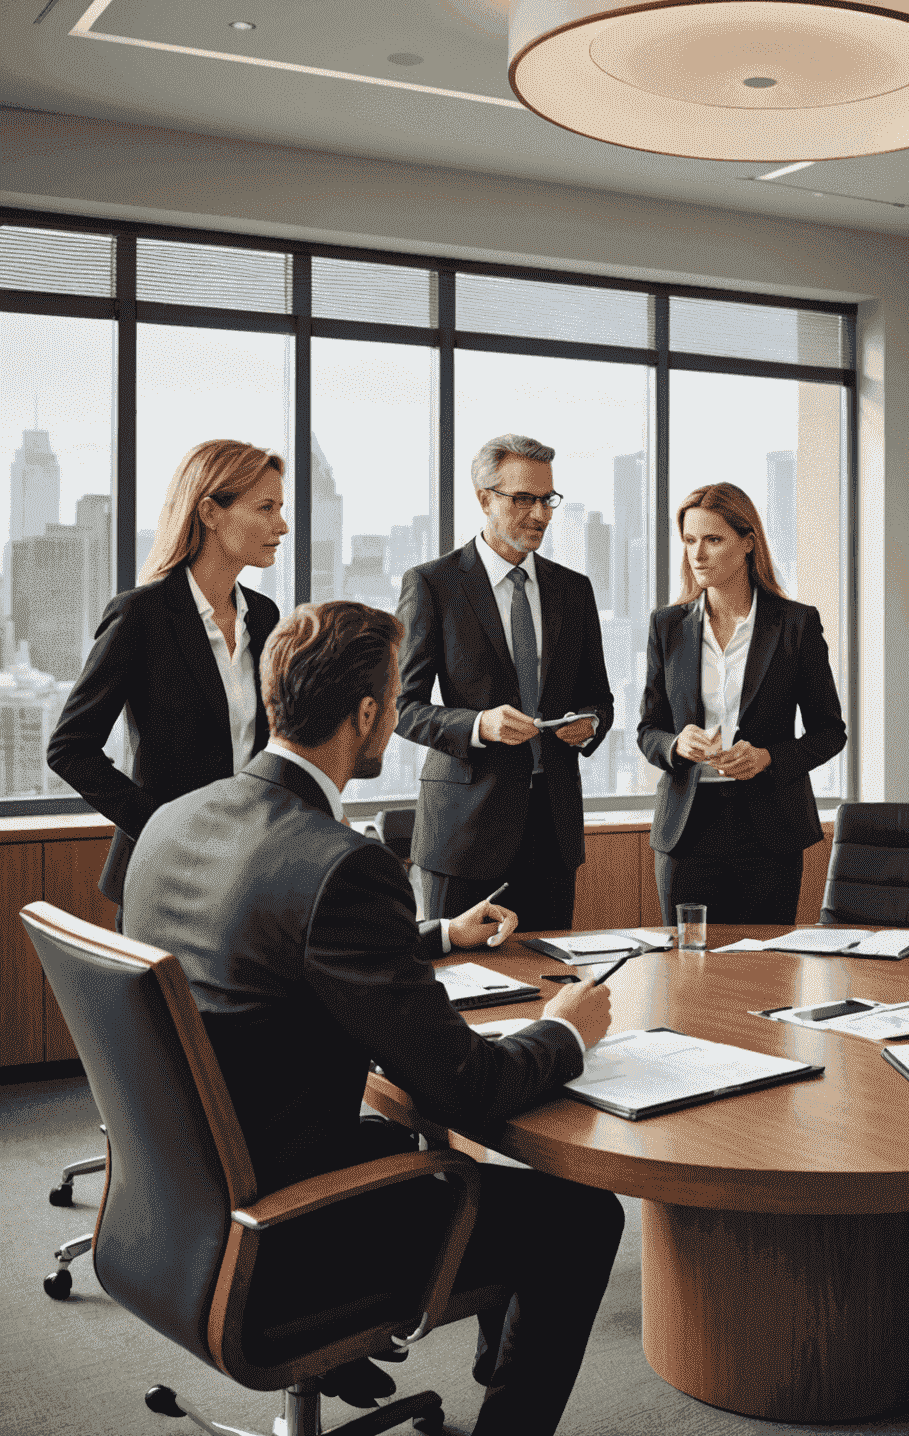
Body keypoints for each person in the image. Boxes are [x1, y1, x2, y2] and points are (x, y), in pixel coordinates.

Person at [123, 599, 624, 1436]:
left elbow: (265, 939)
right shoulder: (342, 864)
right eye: (394, 698)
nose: (396, 712)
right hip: (283, 1235)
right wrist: (567, 1028)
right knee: (581, 1216)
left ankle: (472, 1343)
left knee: (401, 1145)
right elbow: (467, 1086)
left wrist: (429, 936)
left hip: (174, 1208)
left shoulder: (176, 820)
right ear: (367, 715)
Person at [48, 439, 287, 909]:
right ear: (210, 512)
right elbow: (69, 749)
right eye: (265, 507)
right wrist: (165, 827)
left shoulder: (263, 616)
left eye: (280, 508)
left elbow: (270, 743)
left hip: (248, 868)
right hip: (164, 873)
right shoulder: (141, 615)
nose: (281, 525)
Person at [396, 433, 614, 931]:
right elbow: (402, 707)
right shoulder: (434, 584)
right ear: (484, 499)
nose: (540, 514)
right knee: (463, 988)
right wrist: (479, 725)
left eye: (547, 500)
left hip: (553, 832)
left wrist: (591, 724)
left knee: (549, 976)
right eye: (523, 499)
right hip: (463, 832)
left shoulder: (573, 590)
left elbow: (599, 698)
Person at [638, 482, 846, 927]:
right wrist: (676, 745)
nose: (698, 554)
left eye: (713, 540)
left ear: (748, 543)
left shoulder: (795, 624)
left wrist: (768, 756)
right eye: (690, 541)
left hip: (769, 830)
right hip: (686, 831)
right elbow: (648, 729)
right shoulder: (667, 626)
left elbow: (830, 733)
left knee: (766, 976)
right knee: (687, 974)